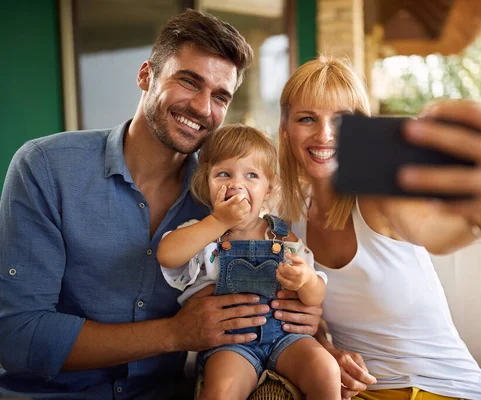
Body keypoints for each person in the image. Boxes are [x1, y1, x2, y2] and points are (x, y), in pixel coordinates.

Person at [0, 10, 322, 400]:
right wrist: (174, 334)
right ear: (145, 76)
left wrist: (307, 324)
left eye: (220, 96)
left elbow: (277, 277)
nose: (203, 108)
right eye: (189, 81)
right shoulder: (47, 167)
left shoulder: (227, 194)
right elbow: (18, 337)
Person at [277, 57, 481, 400]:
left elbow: (437, 232)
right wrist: (327, 350)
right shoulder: (289, 220)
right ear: (286, 130)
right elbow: (305, 315)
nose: (324, 135)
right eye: (307, 118)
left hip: (439, 388)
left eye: (340, 121)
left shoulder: (378, 198)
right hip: (365, 391)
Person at [156, 124, 339, 400]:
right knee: (221, 391)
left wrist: (306, 281)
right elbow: (167, 254)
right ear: (207, 183)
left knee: (326, 369)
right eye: (223, 174)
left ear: (268, 188)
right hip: (231, 344)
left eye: (251, 175)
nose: (236, 184)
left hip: (287, 338)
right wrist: (218, 221)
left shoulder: (280, 234)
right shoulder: (204, 234)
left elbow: (315, 297)